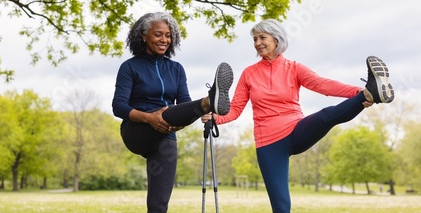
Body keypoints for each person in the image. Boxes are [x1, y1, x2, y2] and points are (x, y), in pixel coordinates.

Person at [201, 19, 394, 213]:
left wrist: (356, 92)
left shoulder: (293, 67)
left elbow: (322, 85)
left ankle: (368, 94)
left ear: (276, 39)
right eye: (254, 39)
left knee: (326, 116)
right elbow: (235, 109)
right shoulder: (249, 74)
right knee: (281, 207)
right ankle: (368, 94)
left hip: (296, 130)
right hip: (268, 144)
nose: (257, 43)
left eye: (262, 37)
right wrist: (216, 118)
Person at [111, 12, 234, 213]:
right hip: (136, 129)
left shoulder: (176, 69)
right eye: (158, 34)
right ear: (144, 36)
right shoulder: (130, 67)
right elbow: (119, 106)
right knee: (165, 112)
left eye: (168, 35)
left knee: (159, 204)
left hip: (167, 131)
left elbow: (184, 104)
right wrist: (149, 118)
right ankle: (208, 101)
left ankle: (208, 103)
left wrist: (183, 121)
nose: (165, 40)